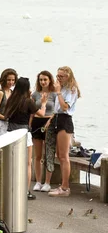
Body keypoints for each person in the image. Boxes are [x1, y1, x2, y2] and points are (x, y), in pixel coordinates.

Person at [3, 77, 47, 200]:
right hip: (23, 133)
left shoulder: (11, 99)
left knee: (12, 162)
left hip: (10, 132)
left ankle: (11, 188)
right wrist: (43, 103)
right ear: (27, 88)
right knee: (27, 163)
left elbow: (6, 115)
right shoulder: (27, 101)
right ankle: (25, 191)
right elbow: (42, 114)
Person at [47, 67, 81, 197]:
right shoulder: (60, 88)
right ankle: (62, 184)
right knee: (59, 155)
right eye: (57, 76)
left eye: (61, 76)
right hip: (56, 118)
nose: (58, 79)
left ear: (68, 77)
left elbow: (65, 107)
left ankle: (65, 187)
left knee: (63, 155)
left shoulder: (71, 90)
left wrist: (59, 92)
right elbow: (56, 108)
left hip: (65, 119)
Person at [31, 71, 57, 193]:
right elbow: (32, 110)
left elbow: (56, 111)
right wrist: (29, 124)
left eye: (45, 79)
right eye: (41, 80)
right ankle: (38, 181)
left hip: (49, 122)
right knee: (37, 155)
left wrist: (50, 121)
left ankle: (47, 182)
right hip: (37, 122)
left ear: (50, 80)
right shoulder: (35, 94)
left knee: (48, 153)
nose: (43, 82)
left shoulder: (54, 94)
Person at [0, 68, 17, 138]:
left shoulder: (11, 92)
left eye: (13, 80)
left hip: (8, 124)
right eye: (9, 80)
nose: (11, 82)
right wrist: (6, 118)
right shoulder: (0, 93)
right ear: (4, 80)